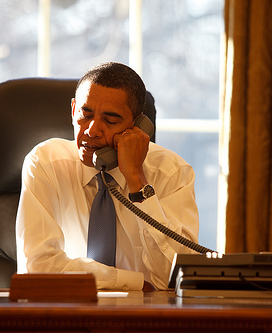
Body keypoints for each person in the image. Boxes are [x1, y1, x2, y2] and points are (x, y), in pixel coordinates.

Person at [16, 62, 199, 290]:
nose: (92, 130)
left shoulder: (171, 172)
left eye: (110, 120)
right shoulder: (45, 163)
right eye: (85, 114)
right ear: (73, 110)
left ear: (138, 126)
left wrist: (136, 178)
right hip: (66, 315)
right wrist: (131, 283)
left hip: (148, 320)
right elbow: (38, 266)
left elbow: (176, 277)